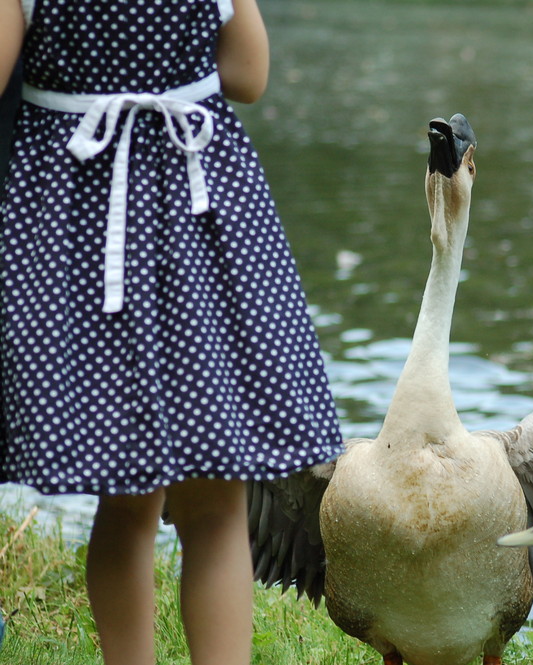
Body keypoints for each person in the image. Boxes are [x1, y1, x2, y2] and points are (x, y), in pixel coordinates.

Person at [0, 0, 344, 663]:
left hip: (76, 220)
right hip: (199, 218)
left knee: (126, 503)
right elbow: (248, 72)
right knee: (217, 507)